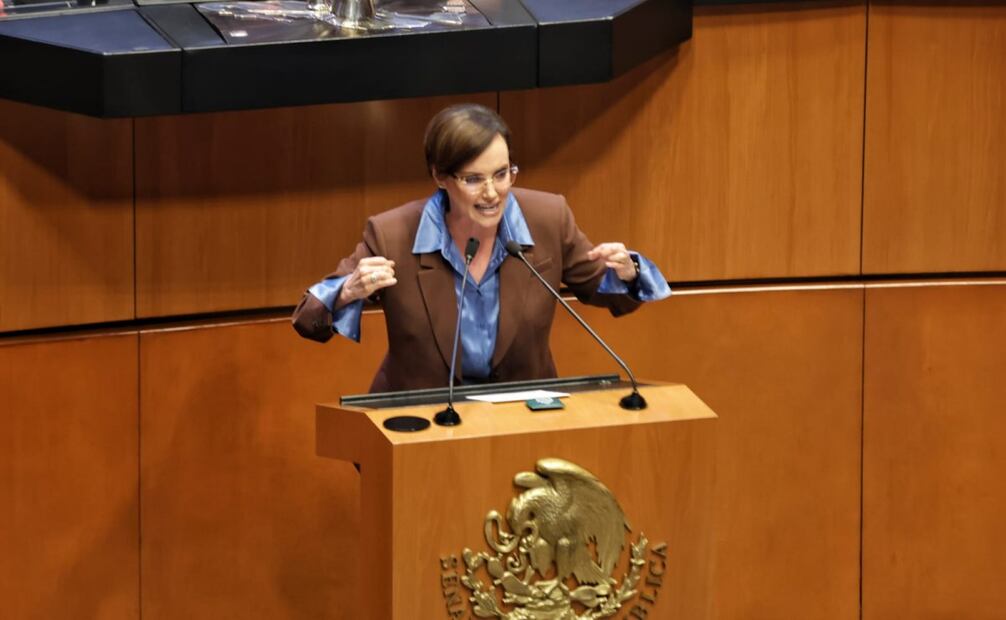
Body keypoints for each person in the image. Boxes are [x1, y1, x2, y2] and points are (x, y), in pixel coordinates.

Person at [292, 103, 670, 392]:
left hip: (523, 416)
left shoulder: (547, 219)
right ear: (440, 176)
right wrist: (347, 291)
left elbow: (609, 293)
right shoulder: (393, 235)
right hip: (421, 422)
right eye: (473, 179)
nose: (492, 193)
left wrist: (629, 272)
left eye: (502, 174)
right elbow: (308, 319)